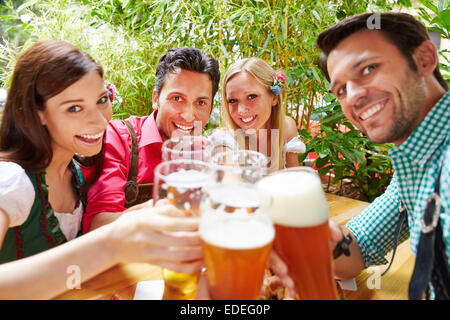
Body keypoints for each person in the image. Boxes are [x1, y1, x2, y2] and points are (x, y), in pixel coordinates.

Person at [0, 40, 203, 299]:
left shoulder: (74, 171)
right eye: (74, 108)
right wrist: (110, 244)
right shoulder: (11, 181)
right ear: (37, 112)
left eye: (101, 100)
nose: (98, 120)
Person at [316, 12, 449, 299]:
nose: (352, 96)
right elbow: (359, 246)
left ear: (424, 59)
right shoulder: (417, 162)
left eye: (367, 68)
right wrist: (313, 233)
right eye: (340, 89)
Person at [83, 47, 220, 232]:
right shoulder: (119, 138)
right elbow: (98, 226)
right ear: (156, 98)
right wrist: (166, 208)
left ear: (211, 109)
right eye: (177, 98)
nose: (188, 115)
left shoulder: (208, 154)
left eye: (201, 103)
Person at [210, 57, 304, 172]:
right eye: (233, 100)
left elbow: (295, 179)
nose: (241, 110)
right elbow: (229, 180)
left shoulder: (287, 127)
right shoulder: (226, 139)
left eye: (252, 96)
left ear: (274, 97)